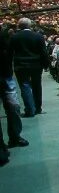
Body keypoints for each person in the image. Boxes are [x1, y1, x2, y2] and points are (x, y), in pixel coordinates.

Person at [9, 18, 49, 118]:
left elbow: (10, 53)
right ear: (30, 25)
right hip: (36, 65)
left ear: (19, 26)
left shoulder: (14, 37)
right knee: (37, 85)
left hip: (21, 66)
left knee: (24, 86)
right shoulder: (38, 36)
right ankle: (38, 108)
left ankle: (30, 110)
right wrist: (46, 65)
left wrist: (10, 66)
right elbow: (43, 52)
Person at [0, 23, 24, 157]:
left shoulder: (5, 36)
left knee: (14, 107)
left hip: (6, 75)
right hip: (5, 75)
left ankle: (15, 136)